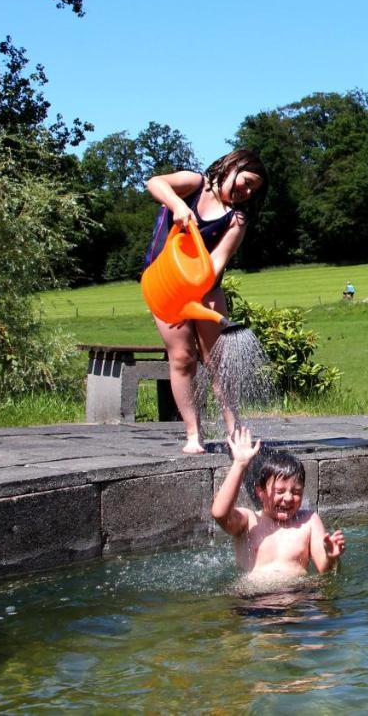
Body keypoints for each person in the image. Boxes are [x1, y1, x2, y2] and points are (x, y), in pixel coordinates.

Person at [144, 149, 267, 453]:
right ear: (232, 166)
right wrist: (176, 206)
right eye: (247, 181)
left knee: (218, 362)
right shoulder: (193, 183)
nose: (247, 192)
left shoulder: (236, 220)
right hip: (164, 284)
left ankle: (234, 431)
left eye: (253, 190)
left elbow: (215, 264)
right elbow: (154, 183)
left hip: (206, 288)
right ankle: (192, 435)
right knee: (182, 357)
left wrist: (197, 293)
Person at [211, 427, 345, 583]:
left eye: (296, 492)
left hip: (296, 598)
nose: (288, 498)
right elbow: (219, 514)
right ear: (260, 492)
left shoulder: (309, 521)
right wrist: (239, 465)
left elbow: (325, 570)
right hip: (252, 601)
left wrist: (331, 557)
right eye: (280, 492)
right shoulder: (249, 521)